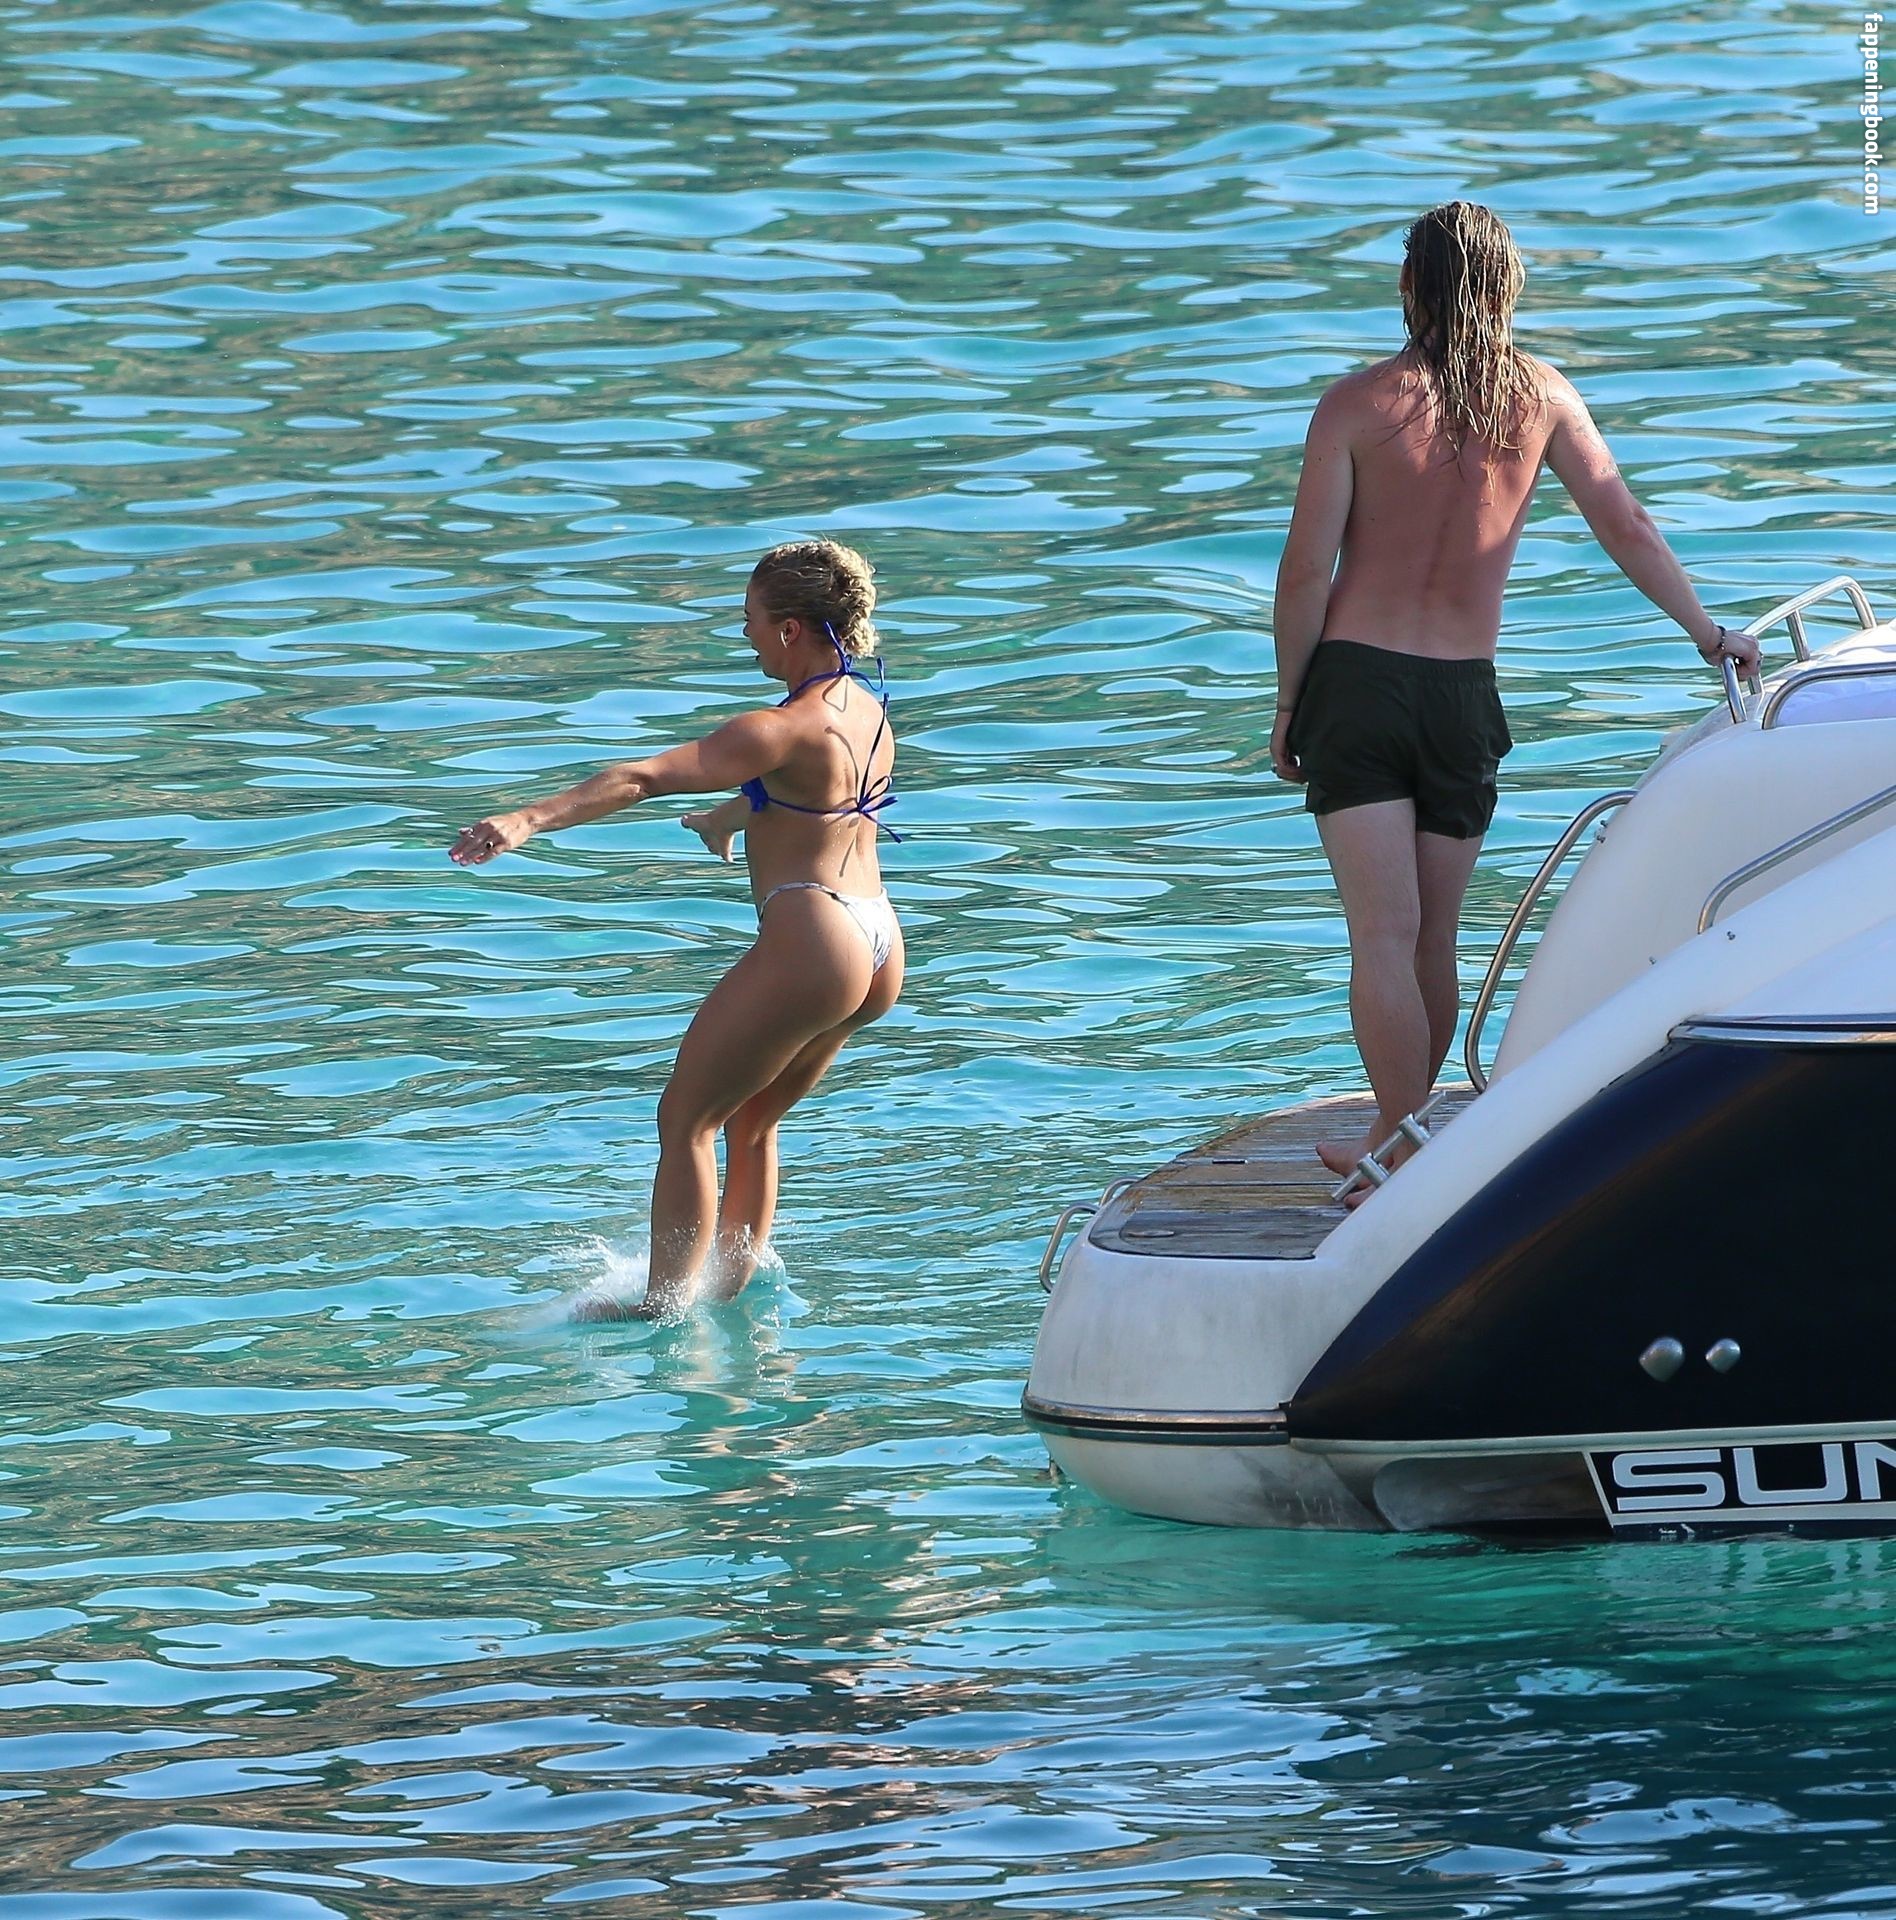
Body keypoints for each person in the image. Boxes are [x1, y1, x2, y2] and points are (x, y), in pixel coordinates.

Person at [1269, 200, 1759, 1200]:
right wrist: (1708, 633)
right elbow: (1625, 521)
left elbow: (1305, 572)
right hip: (1462, 696)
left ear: (1409, 286)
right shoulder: (1542, 398)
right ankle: (1401, 1140)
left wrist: (1289, 701)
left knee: (1382, 937)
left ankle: (1396, 1151)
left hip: (1357, 687)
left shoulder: (1354, 406)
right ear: (1507, 291)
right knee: (1433, 939)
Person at [449, 539, 904, 1315]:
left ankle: (662, 1308)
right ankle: (729, 1286)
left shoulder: (776, 726)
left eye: (750, 618)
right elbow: (820, 797)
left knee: (686, 1119)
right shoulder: (864, 708)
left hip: (815, 941)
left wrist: (526, 819)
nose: (745, 634)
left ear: (791, 628)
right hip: (878, 942)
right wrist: (733, 815)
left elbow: (641, 778)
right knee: (753, 1121)